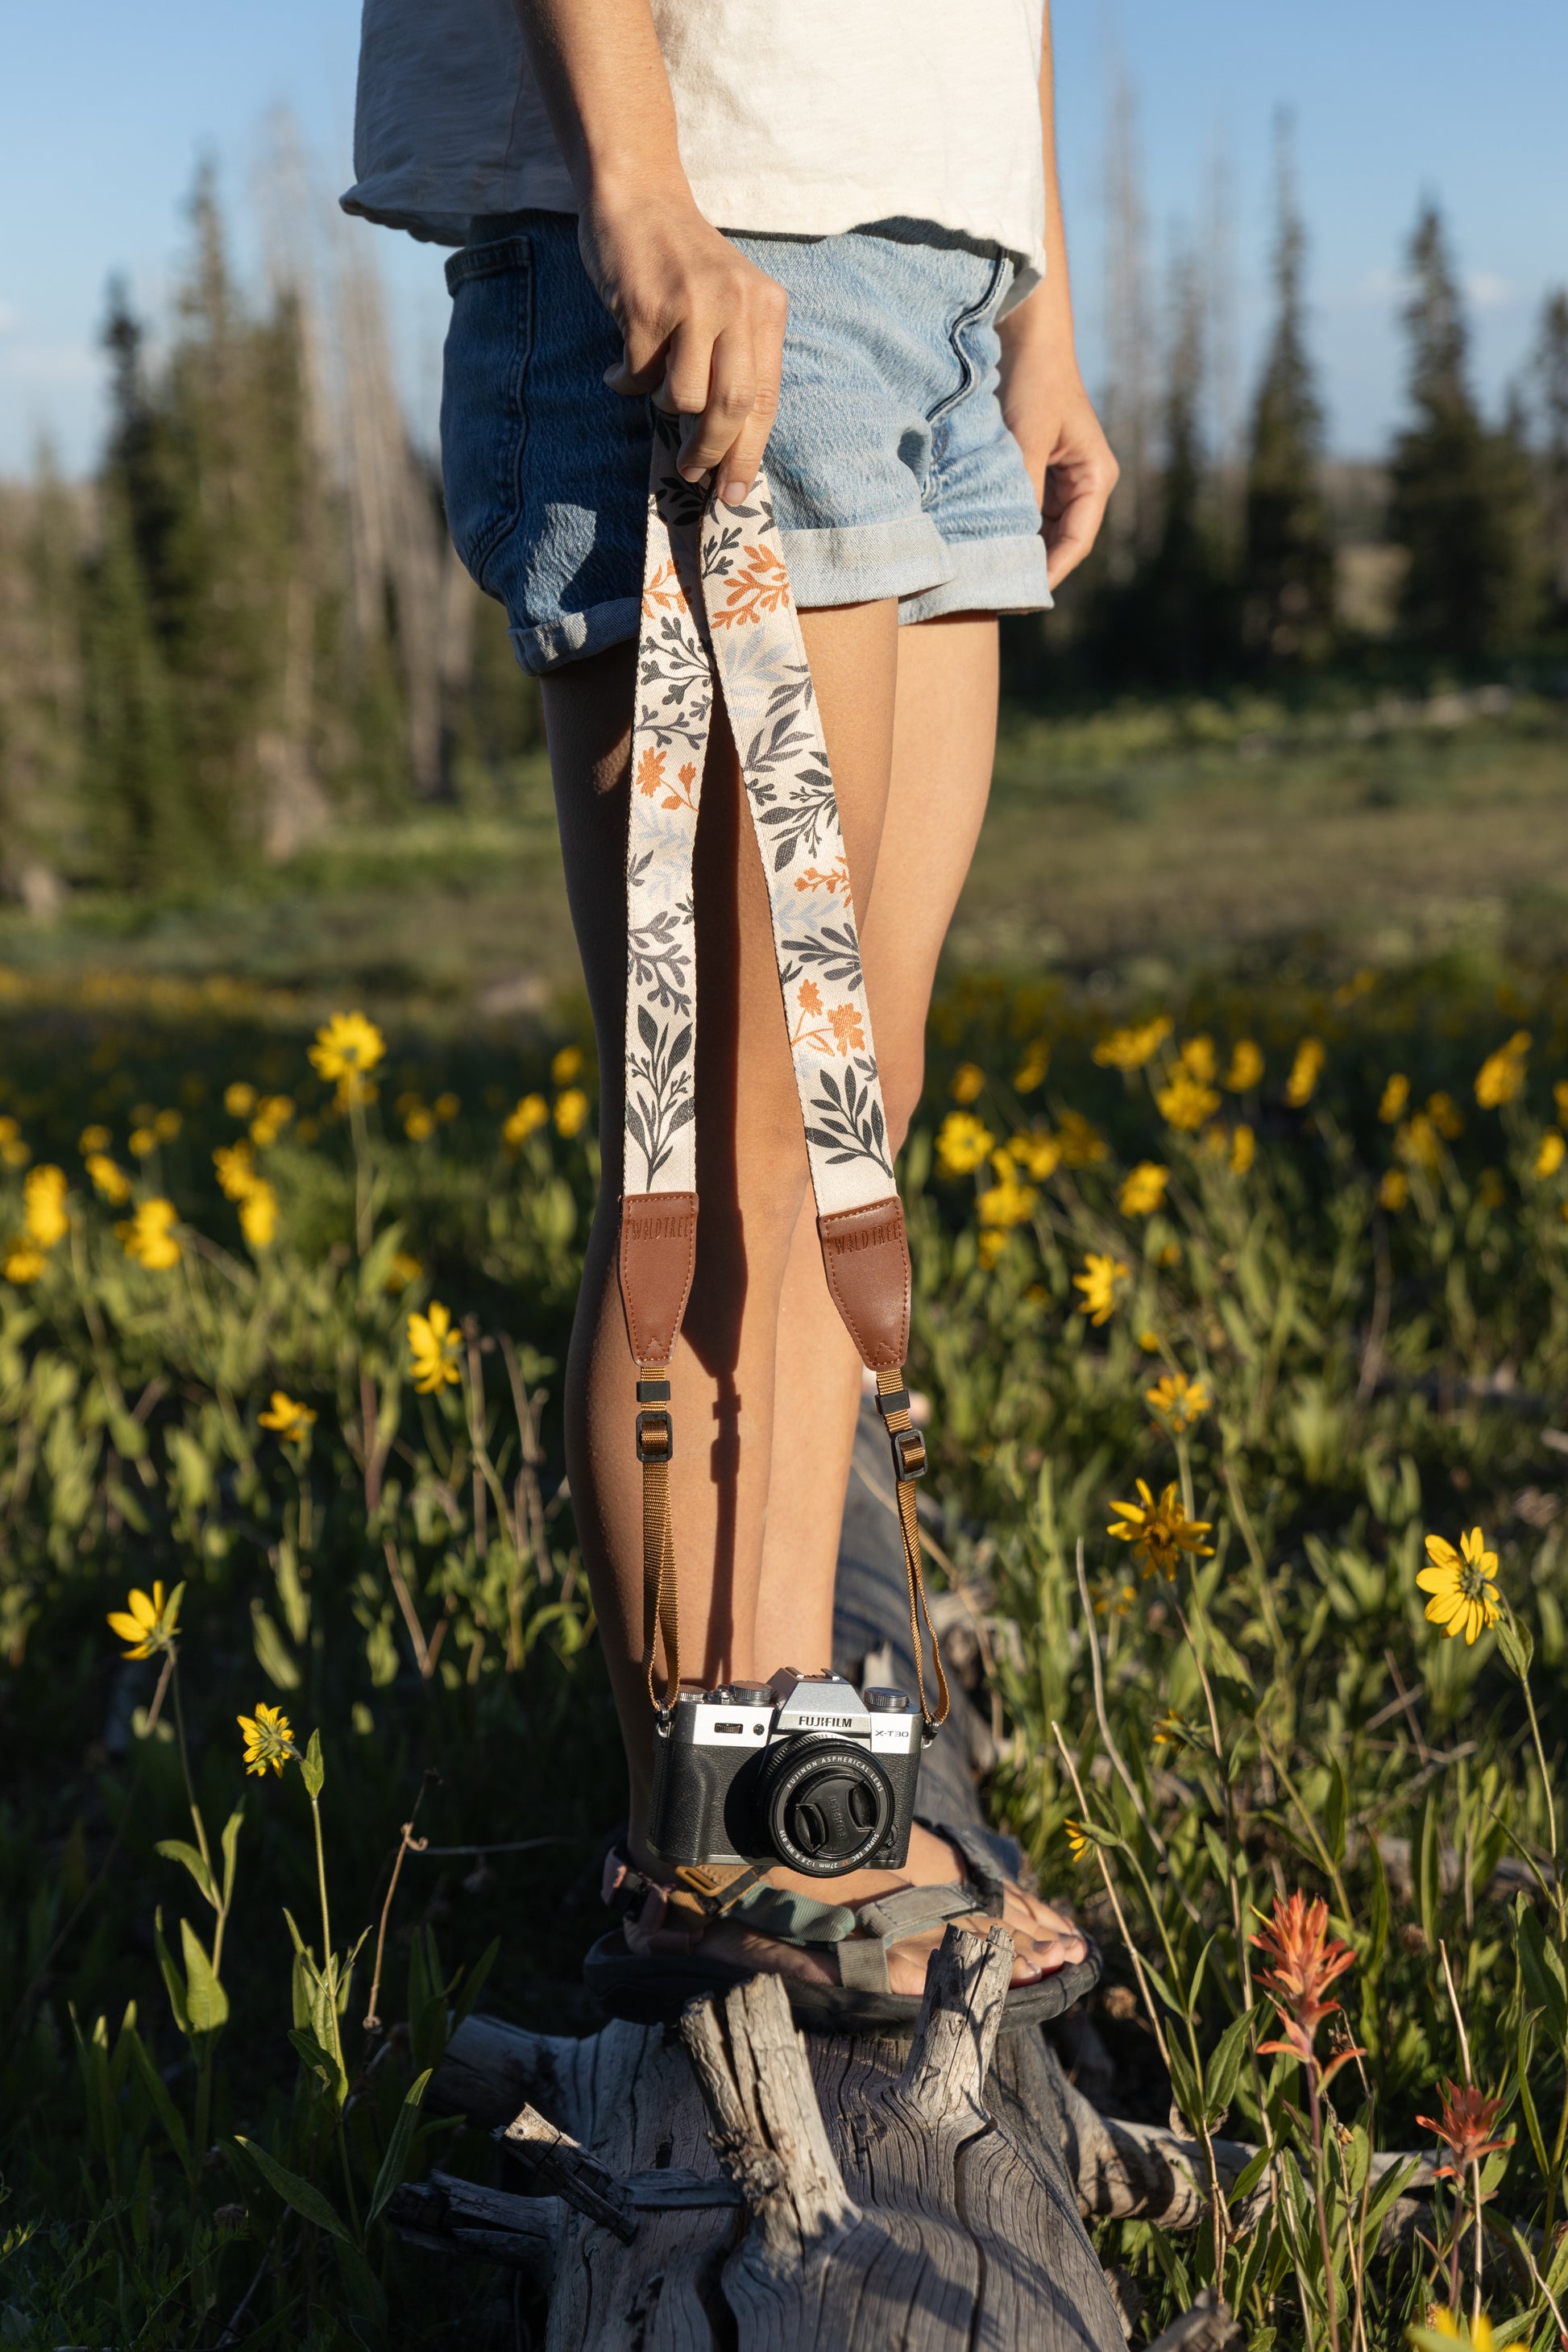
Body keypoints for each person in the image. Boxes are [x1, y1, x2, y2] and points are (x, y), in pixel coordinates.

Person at [345, 0, 1118, 2013]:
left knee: (850, 1097)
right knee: (724, 1133)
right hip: (713, 228)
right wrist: (639, 189)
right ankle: (729, 1833)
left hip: (929, 275)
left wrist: (1032, 308)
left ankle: (780, 1791)